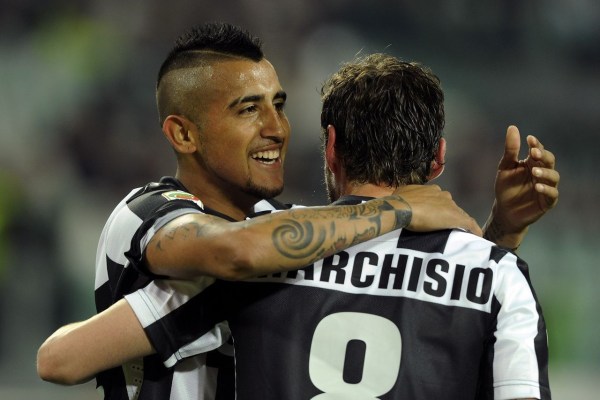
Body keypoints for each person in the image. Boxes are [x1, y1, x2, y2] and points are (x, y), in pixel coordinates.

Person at [37, 24, 558, 400]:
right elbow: (236, 251)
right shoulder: (148, 213)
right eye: (249, 109)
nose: (277, 128)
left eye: (280, 105)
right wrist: (400, 208)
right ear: (183, 134)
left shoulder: (288, 242)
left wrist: (500, 231)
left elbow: (413, 286)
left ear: (330, 149)